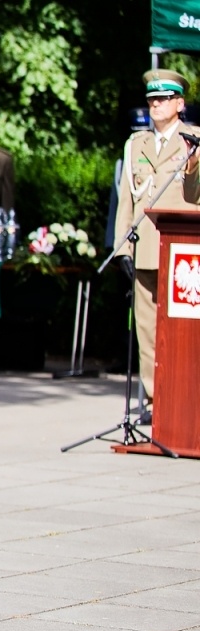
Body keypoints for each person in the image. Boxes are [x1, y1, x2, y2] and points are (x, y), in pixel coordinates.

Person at [115, 69, 200, 405]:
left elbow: (195, 194)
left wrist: (193, 164)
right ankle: (155, 399)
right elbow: (127, 199)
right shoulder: (136, 144)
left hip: (185, 254)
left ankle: (184, 399)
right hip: (146, 248)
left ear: (179, 104)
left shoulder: (195, 140)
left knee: (183, 329)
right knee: (147, 329)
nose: (156, 104)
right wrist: (123, 248)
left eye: (164, 98)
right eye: (152, 99)